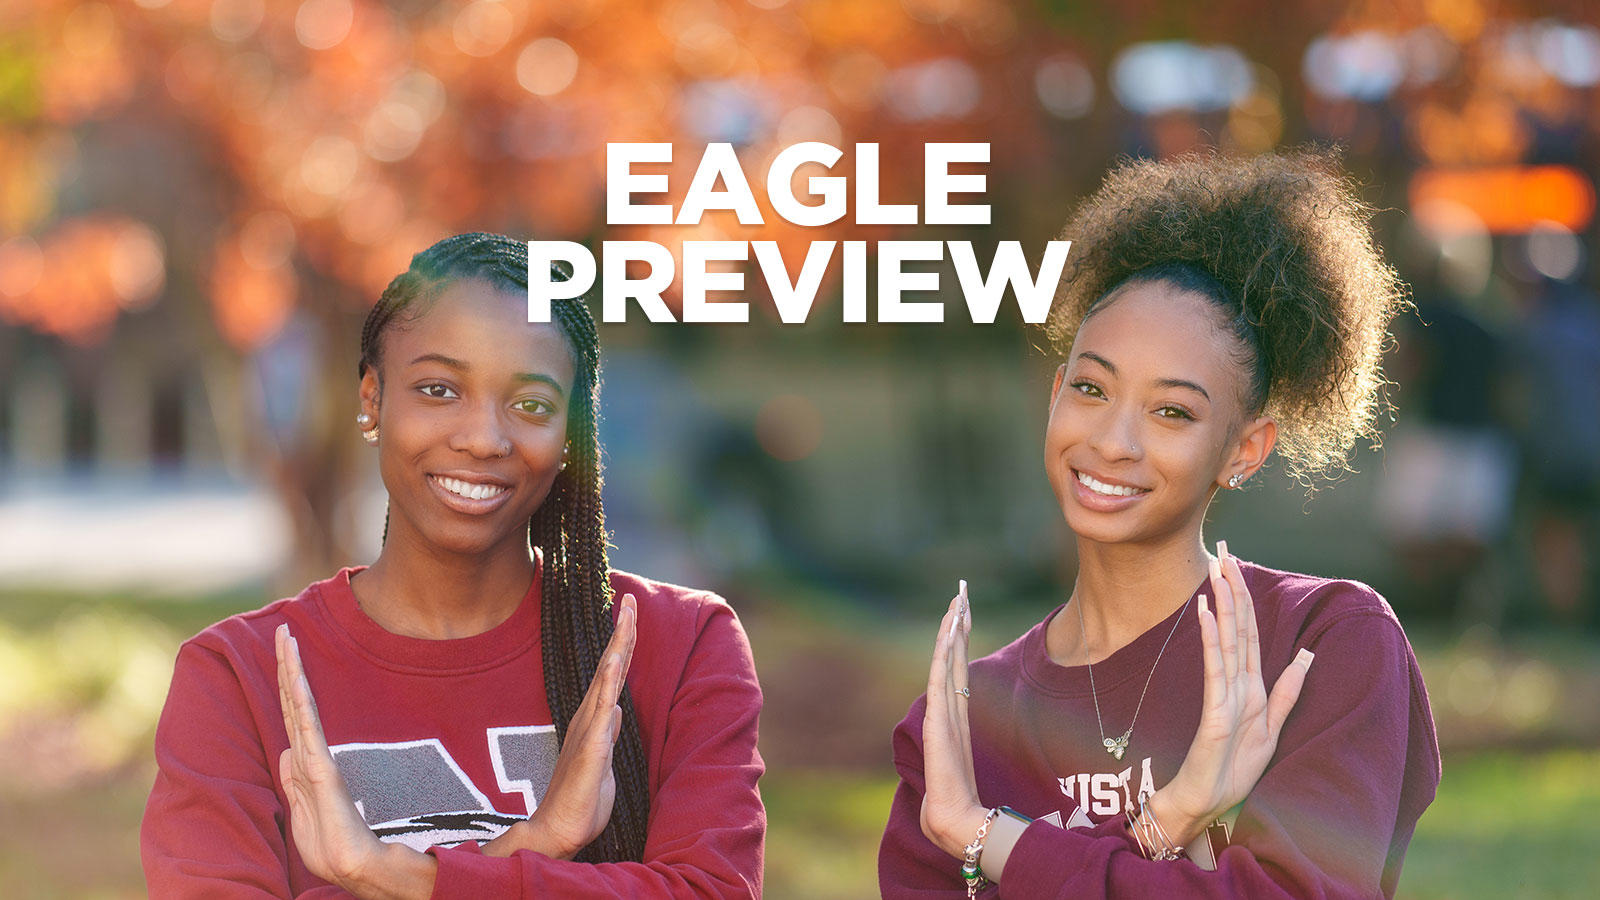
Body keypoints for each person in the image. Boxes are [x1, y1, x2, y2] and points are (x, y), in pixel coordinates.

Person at [878, 152, 1439, 898]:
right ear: (1055, 395)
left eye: (1172, 411)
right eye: (1090, 388)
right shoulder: (958, 728)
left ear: (1244, 450)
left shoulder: (1323, 646)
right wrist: (1166, 820)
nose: (1114, 441)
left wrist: (985, 837)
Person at [141, 233, 765, 898]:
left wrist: (382, 874)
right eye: (439, 389)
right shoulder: (237, 678)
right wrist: (534, 844)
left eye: (530, 405)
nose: (483, 438)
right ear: (373, 400)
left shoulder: (679, 647)